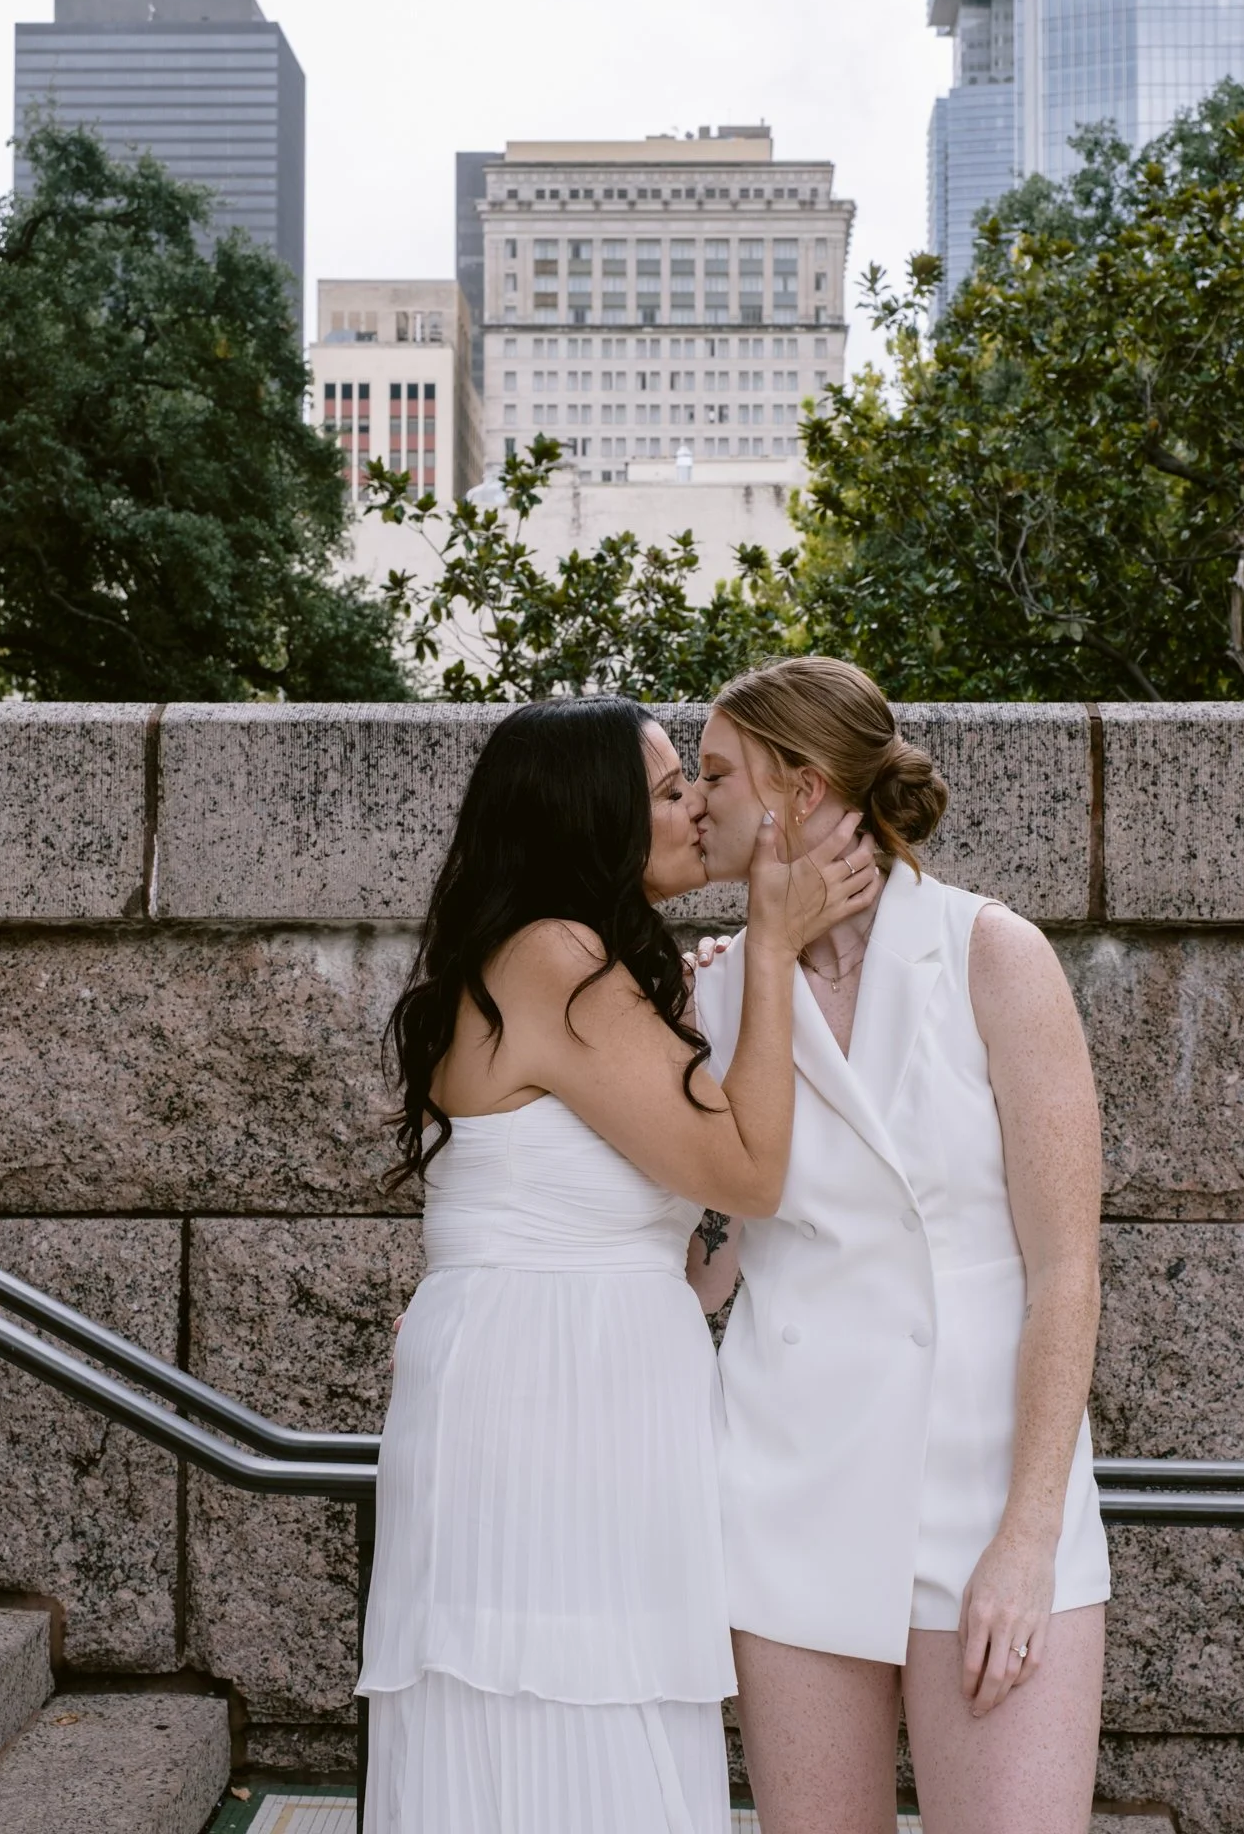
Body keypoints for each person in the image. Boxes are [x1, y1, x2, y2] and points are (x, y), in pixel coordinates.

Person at [357, 694, 879, 1834]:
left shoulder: (580, 968)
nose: (695, 802)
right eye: (664, 786)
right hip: (545, 1408)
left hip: (593, 1386)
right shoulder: (552, 955)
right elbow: (745, 1168)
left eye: (695, 778)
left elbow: (674, 1254)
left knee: (604, 1712)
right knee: (558, 1716)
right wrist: (778, 946)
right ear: (588, 815)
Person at [689, 656, 1110, 1834]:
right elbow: (704, 1262)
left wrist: (1025, 1538)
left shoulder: (993, 955)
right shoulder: (714, 998)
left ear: (802, 788)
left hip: (985, 1488)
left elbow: (1066, 1266)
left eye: (716, 772)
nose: (694, 802)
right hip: (790, 1498)